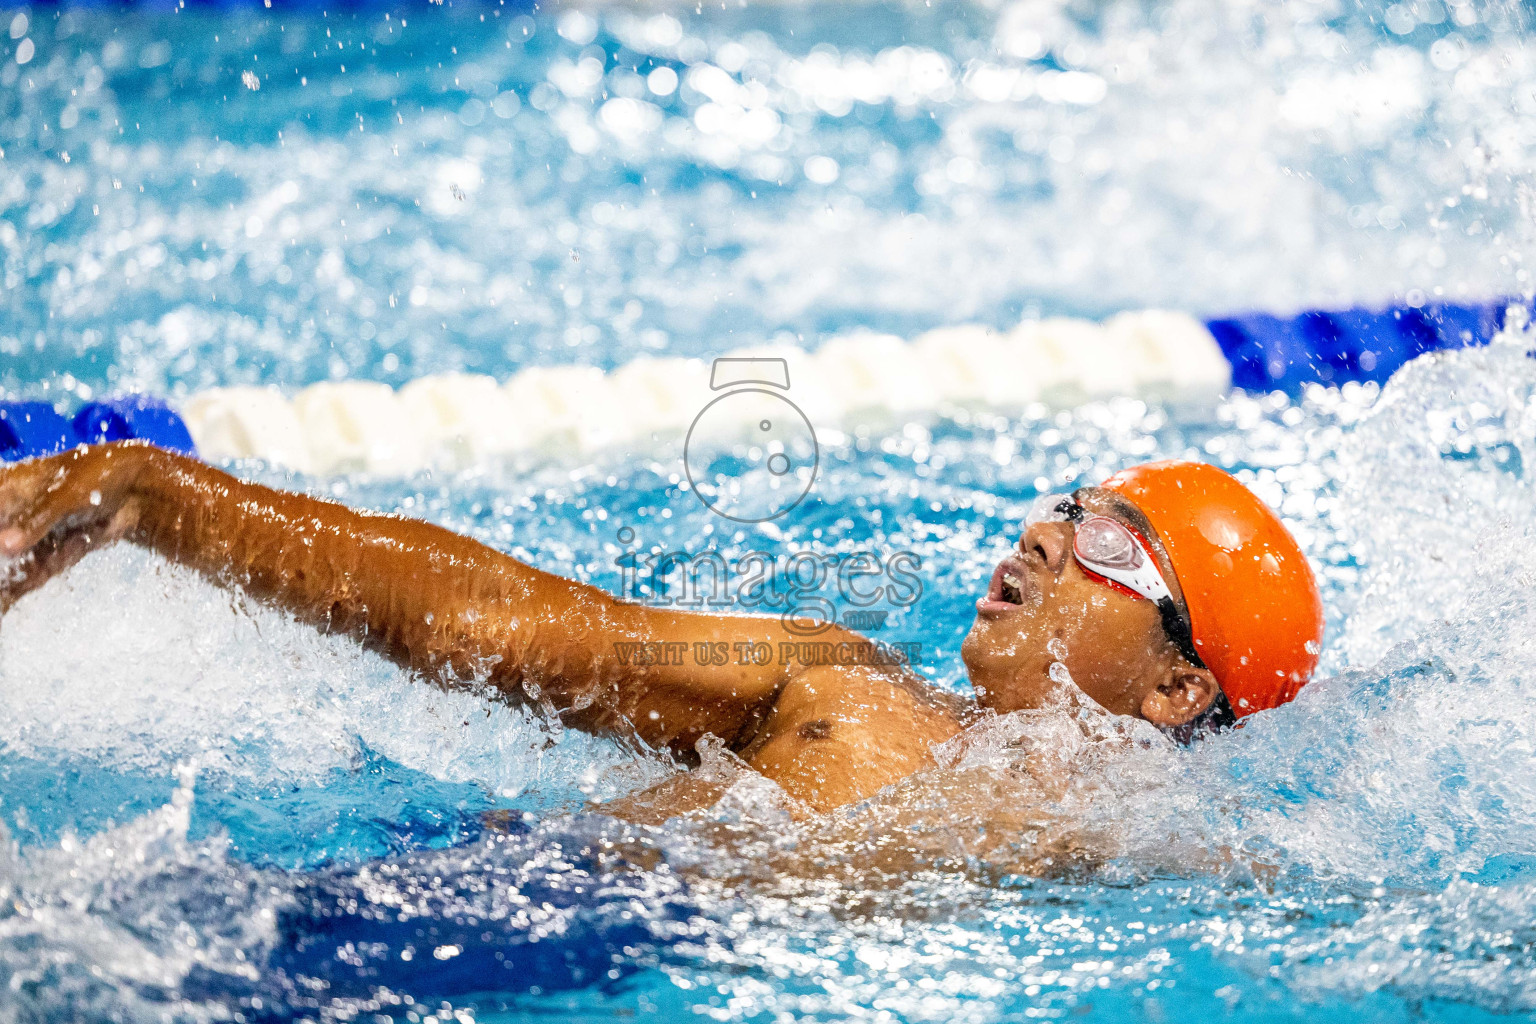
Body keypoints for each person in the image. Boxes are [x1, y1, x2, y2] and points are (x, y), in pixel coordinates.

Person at [0, 442, 1324, 819]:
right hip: (493, 934)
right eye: (1067, 503)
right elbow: (512, 632)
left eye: (1107, 547)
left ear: (1173, 693)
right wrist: (161, 496)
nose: (1044, 534)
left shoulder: (1175, 854)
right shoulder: (843, 682)